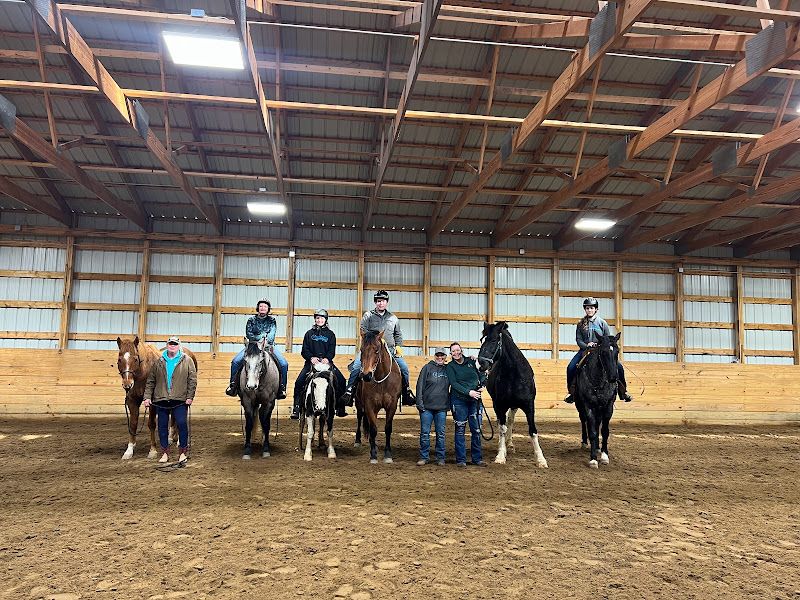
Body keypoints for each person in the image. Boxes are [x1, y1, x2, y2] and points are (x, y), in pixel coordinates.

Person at [341, 290, 414, 406]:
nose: (381, 303)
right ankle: (349, 391)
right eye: (379, 301)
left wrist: (398, 346)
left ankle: (406, 393)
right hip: (371, 349)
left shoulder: (393, 318)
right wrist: (376, 339)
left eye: (383, 301)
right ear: (375, 302)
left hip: (389, 350)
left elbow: (398, 334)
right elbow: (363, 330)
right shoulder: (368, 315)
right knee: (356, 367)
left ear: (387, 302)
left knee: (404, 368)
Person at [563, 297, 632, 404]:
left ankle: (623, 391)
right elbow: (578, 339)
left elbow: (607, 339)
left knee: (619, 367)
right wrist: (586, 345)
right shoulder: (581, 323)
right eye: (587, 308)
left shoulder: (602, 323)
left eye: (591, 308)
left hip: (600, 352)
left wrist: (601, 345)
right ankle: (571, 393)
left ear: (596, 309)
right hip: (585, 351)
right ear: (585, 309)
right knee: (571, 367)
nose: (589, 310)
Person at [143, 336, 197, 463]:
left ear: (179, 346)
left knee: (182, 424)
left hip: (180, 399)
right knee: (162, 427)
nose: (172, 346)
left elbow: (192, 380)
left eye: (175, 344)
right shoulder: (159, 362)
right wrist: (147, 397)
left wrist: (190, 396)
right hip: (161, 399)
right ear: (167, 345)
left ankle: (182, 452)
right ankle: (164, 453)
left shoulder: (187, 361)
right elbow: (151, 380)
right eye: (170, 344)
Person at [290, 309, 347, 420]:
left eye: (321, 318)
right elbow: (304, 350)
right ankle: (296, 407)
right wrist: (311, 358)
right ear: (315, 319)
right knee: (299, 382)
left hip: (326, 362)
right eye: (317, 318)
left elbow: (332, 350)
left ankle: (340, 407)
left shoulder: (331, 334)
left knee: (342, 380)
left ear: (325, 320)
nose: (319, 320)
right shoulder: (309, 333)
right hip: (311, 363)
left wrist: (327, 358)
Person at [225, 298, 288, 399]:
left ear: (268, 309)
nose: (263, 308)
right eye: (261, 306)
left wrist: (263, 339)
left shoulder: (272, 320)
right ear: (258, 308)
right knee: (236, 361)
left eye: (265, 306)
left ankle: (281, 387)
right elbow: (249, 334)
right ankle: (233, 385)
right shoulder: (251, 320)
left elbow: (271, 336)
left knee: (284, 364)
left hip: (268, 347)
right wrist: (262, 337)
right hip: (252, 347)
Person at [445, 342, 487, 467]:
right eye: (453, 351)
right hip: (459, 401)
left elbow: (482, 374)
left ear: (461, 350)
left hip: (475, 401)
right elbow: (454, 383)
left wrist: (483, 384)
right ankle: (461, 459)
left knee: (476, 430)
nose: (456, 353)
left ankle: (477, 458)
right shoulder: (450, 366)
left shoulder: (471, 361)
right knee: (460, 429)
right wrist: (469, 392)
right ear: (451, 353)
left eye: (457, 350)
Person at [415, 347, 450, 466]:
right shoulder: (427, 368)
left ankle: (440, 457)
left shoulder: (448, 369)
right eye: (437, 355)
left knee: (441, 434)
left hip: (441, 408)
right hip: (427, 408)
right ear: (435, 356)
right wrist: (419, 403)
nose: (440, 357)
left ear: (445, 357)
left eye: (442, 355)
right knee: (425, 433)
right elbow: (420, 386)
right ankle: (424, 456)